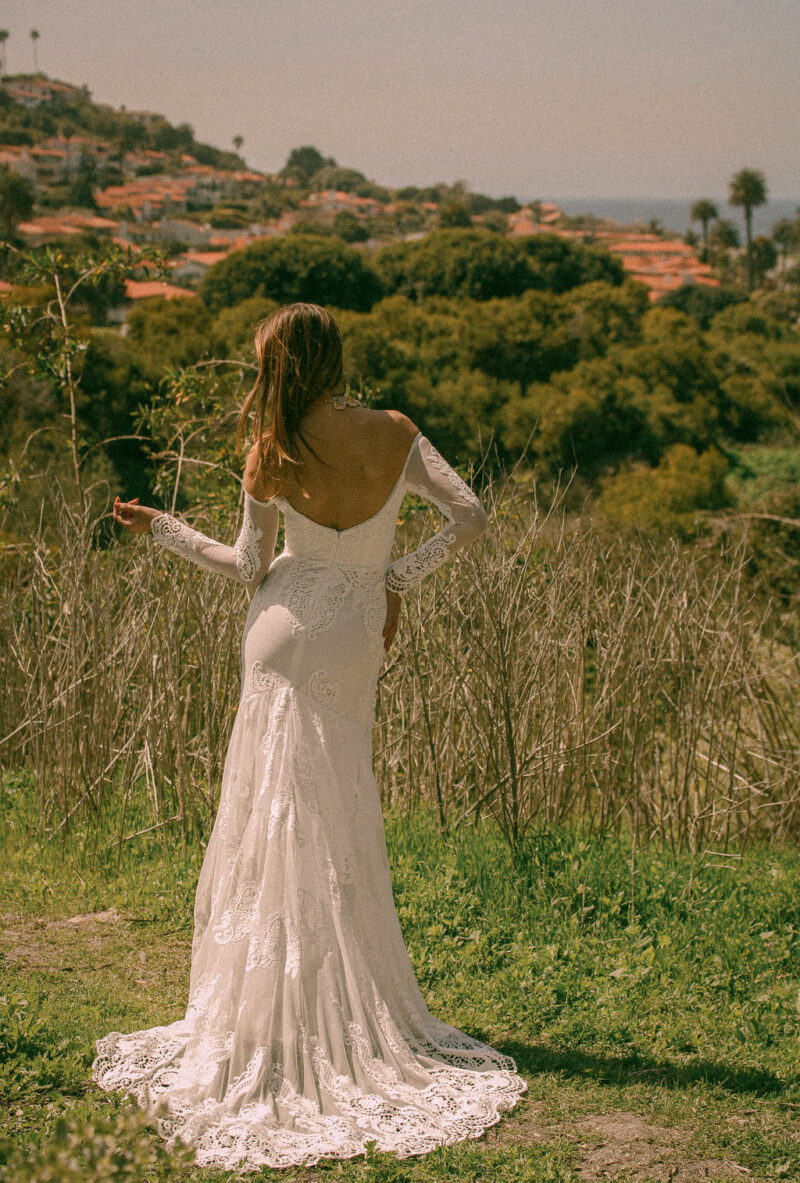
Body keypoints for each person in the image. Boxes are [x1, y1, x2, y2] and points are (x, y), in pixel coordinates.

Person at [92, 302, 526, 1171]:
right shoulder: (394, 432)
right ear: (335, 357)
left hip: (281, 629)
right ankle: (332, 996)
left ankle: (267, 1007)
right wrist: (395, 576)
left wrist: (162, 527)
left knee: (271, 810)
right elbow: (471, 515)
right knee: (335, 803)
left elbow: (247, 566)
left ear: (277, 365)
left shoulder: (273, 448)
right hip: (356, 631)